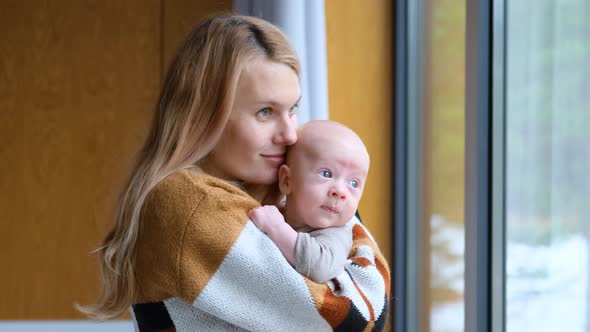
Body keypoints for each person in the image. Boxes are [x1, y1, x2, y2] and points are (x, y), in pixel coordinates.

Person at [79, 14, 390, 331]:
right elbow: (357, 318)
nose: (290, 134)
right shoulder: (191, 205)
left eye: (292, 109)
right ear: (203, 115)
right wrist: (342, 218)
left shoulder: (260, 192)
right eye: (265, 112)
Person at [248, 120, 369, 283]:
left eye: (353, 183)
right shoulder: (279, 213)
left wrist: (276, 228)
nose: (340, 192)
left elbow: (320, 268)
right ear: (287, 180)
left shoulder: (337, 233)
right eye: (326, 174)